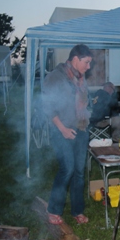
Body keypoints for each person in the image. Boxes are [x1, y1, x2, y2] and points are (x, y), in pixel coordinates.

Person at [42, 44, 93, 225]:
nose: (89, 67)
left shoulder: (80, 78)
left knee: (79, 172)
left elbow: (83, 102)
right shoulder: (56, 77)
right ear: (75, 59)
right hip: (61, 130)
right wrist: (63, 129)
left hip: (80, 129)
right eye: (86, 62)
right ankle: (53, 209)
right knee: (68, 169)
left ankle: (77, 210)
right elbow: (47, 107)